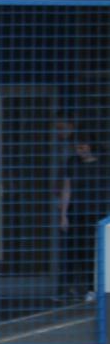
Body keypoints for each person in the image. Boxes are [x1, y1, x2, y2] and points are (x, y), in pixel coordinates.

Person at [58, 128, 108, 303]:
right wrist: (63, 214)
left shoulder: (104, 164)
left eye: (83, 146)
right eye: (77, 147)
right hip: (76, 213)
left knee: (93, 251)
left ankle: (92, 289)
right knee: (73, 251)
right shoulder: (72, 162)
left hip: (98, 214)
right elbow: (67, 189)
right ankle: (68, 289)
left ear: (91, 146)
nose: (80, 150)